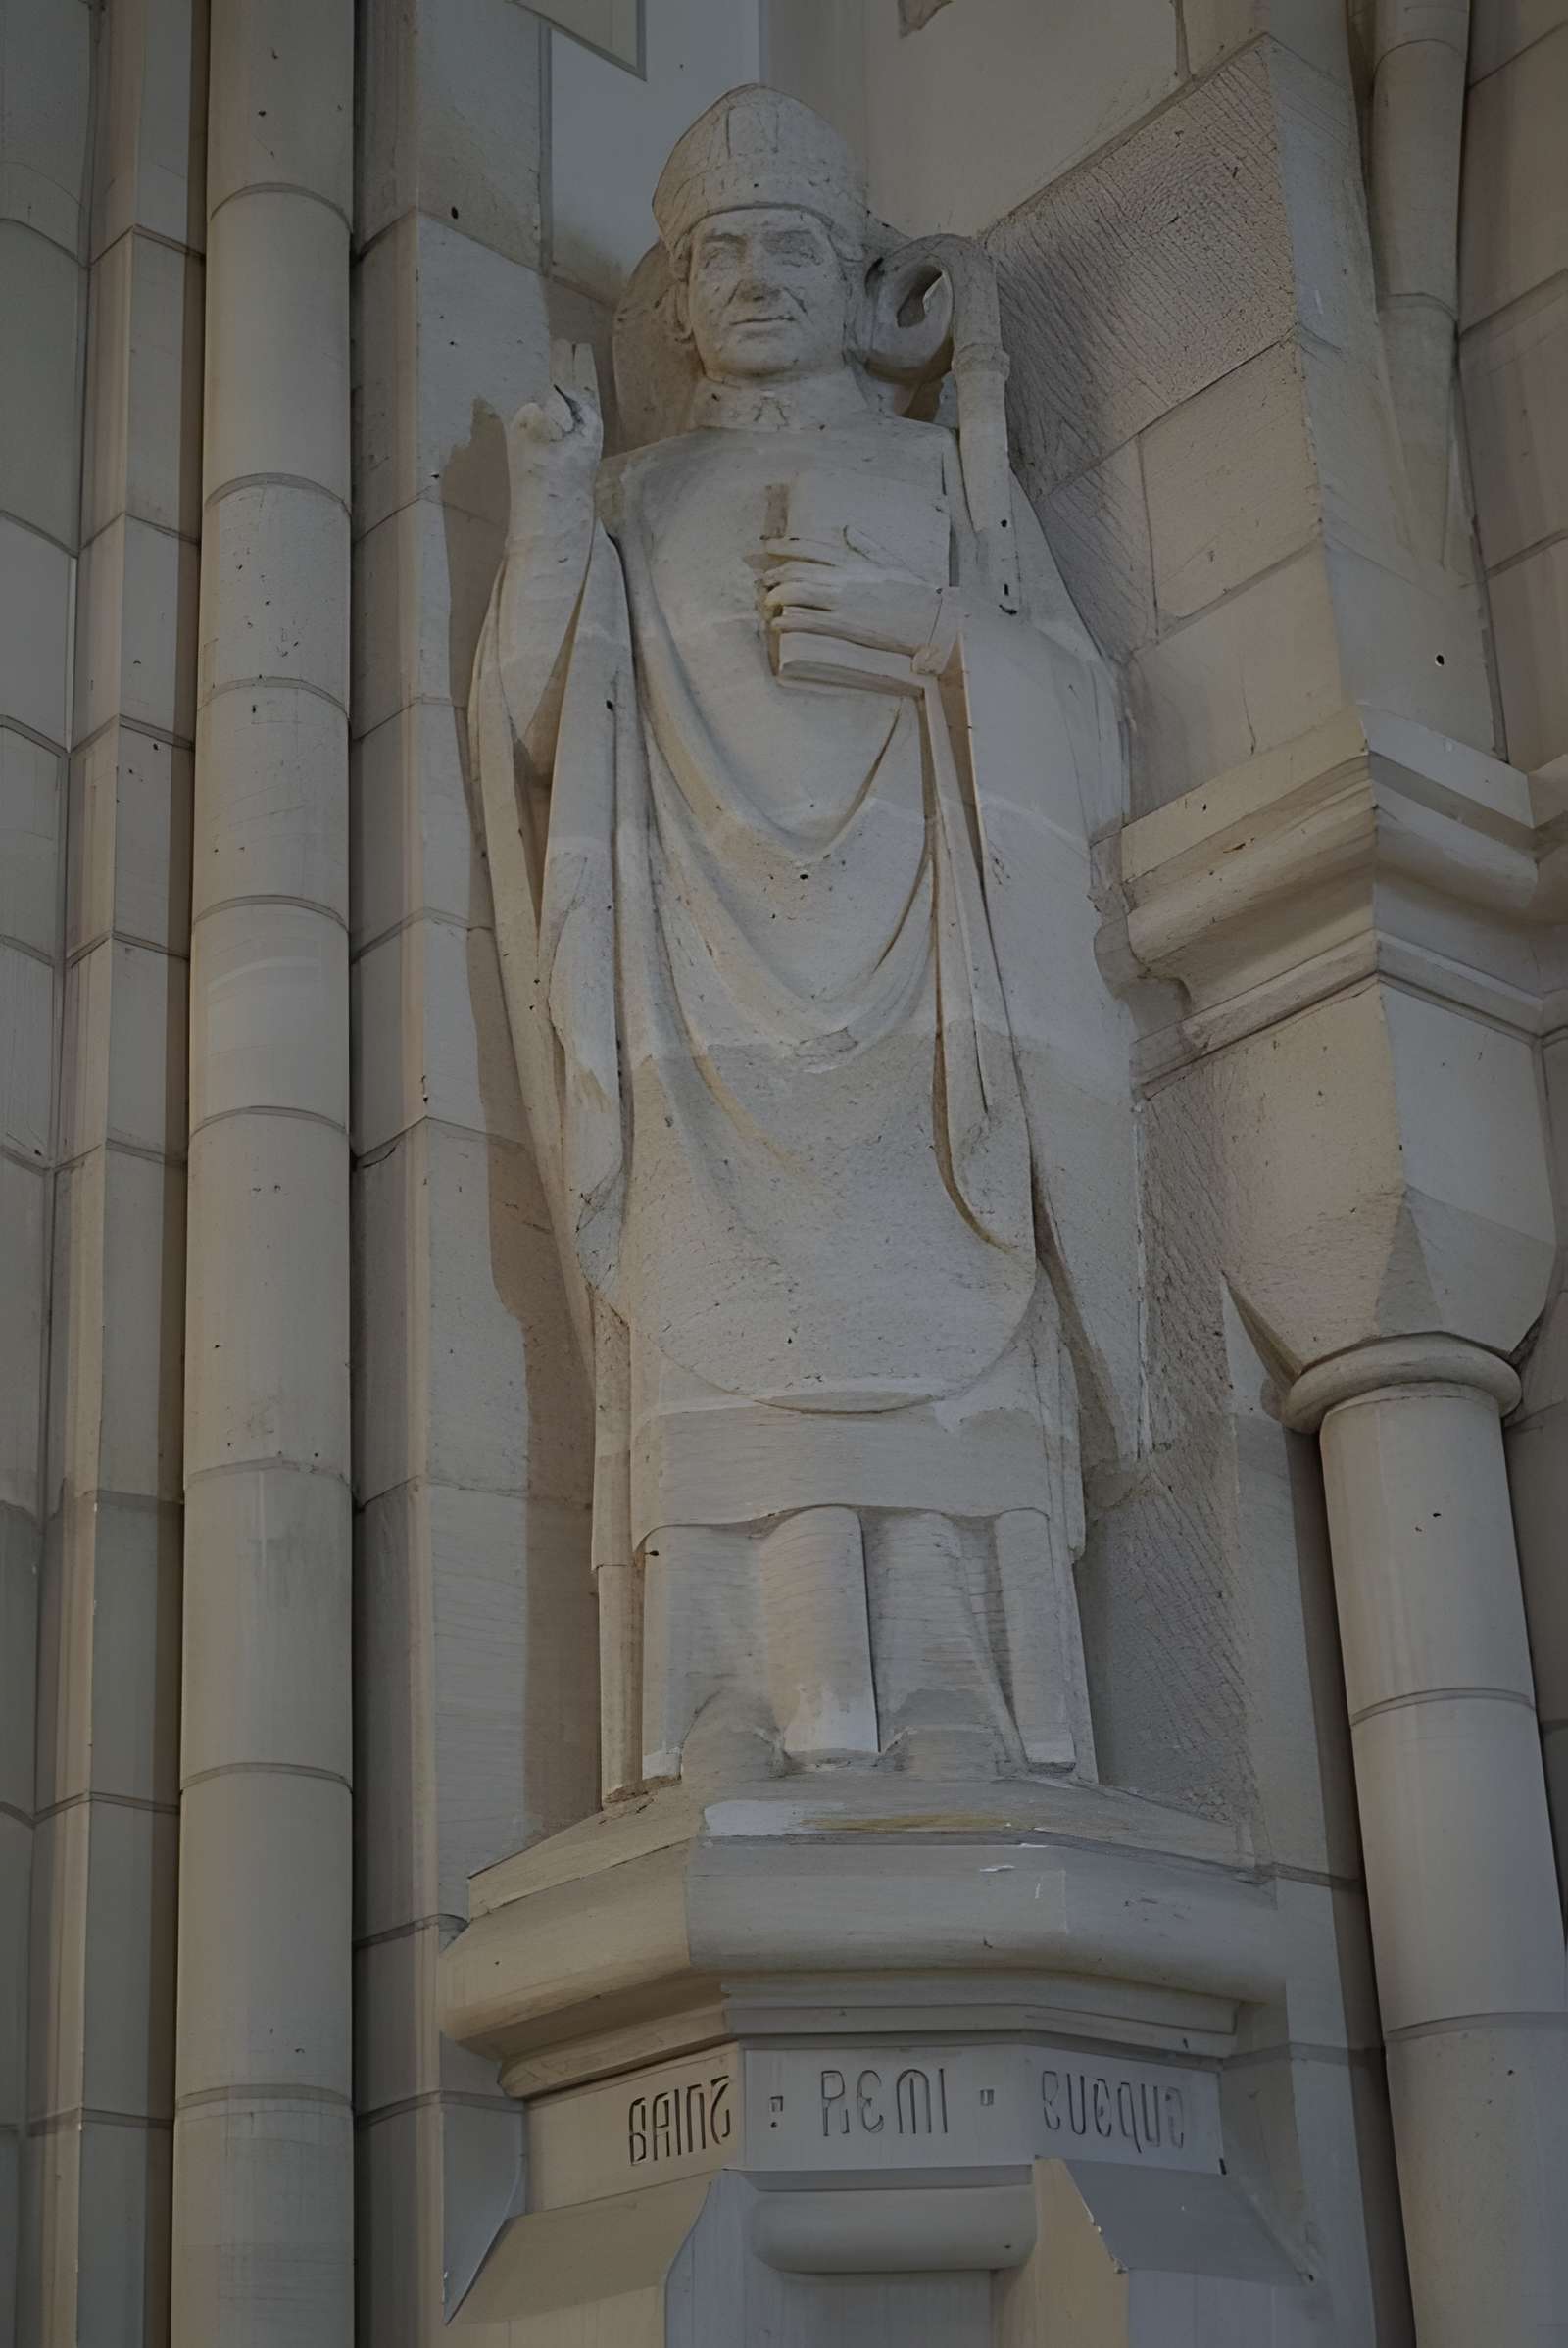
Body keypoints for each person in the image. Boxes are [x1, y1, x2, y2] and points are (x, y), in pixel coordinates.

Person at [471, 85, 1117, 1793]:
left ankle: (958, 1693)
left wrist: (938, 640)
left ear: (851, 277)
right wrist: (543, 517)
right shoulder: (633, 494)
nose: (757, 275)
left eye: (793, 245)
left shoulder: (936, 469)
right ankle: (736, 1704)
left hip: (920, 1011)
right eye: (719, 251)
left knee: (931, 1341)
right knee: (720, 1351)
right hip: (698, 1006)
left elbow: (1082, 724)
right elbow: (543, 734)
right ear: (678, 298)